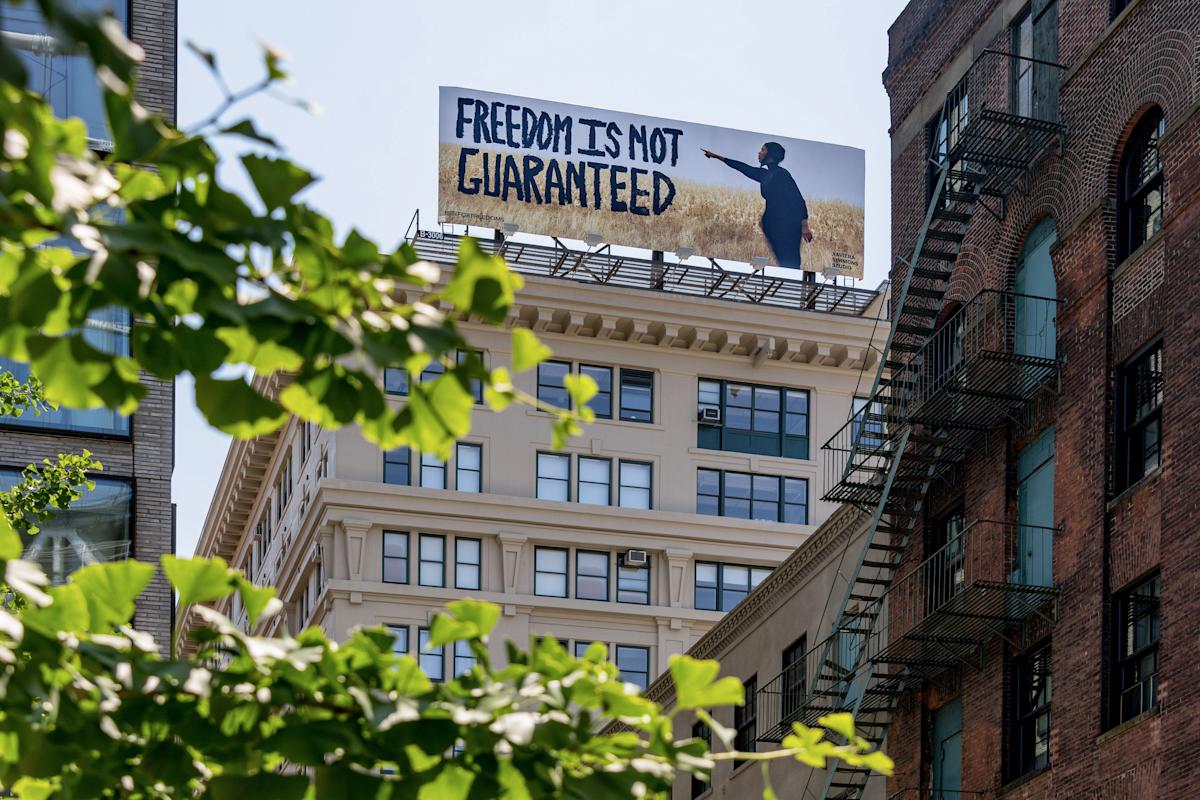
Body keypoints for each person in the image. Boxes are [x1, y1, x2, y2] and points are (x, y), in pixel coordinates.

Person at [703, 142, 813, 276]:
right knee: (785, 263)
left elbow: (797, 198)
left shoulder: (782, 174)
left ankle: (794, 288)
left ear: (770, 155)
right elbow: (742, 167)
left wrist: (804, 225)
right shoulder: (764, 175)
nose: (759, 153)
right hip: (774, 227)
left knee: (791, 263)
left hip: (788, 225)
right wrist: (716, 156)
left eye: (762, 150)